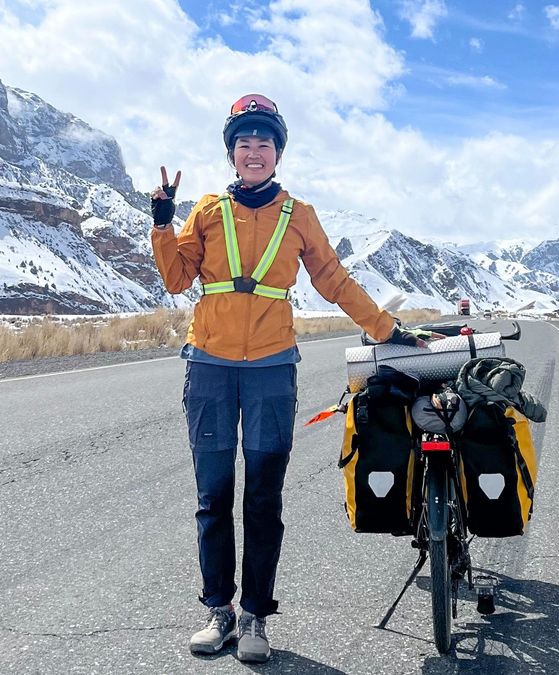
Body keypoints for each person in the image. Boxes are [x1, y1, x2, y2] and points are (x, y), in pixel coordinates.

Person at [150, 93, 423, 663]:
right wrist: (161, 222)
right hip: (210, 368)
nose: (254, 151)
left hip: (273, 369)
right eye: (243, 143)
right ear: (231, 154)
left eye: (264, 143)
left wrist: (382, 327)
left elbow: (332, 278)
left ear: (278, 153)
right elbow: (177, 280)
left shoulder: (298, 215)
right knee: (213, 495)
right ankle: (218, 611)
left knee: (264, 497)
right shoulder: (206, 211)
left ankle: (255, 618)